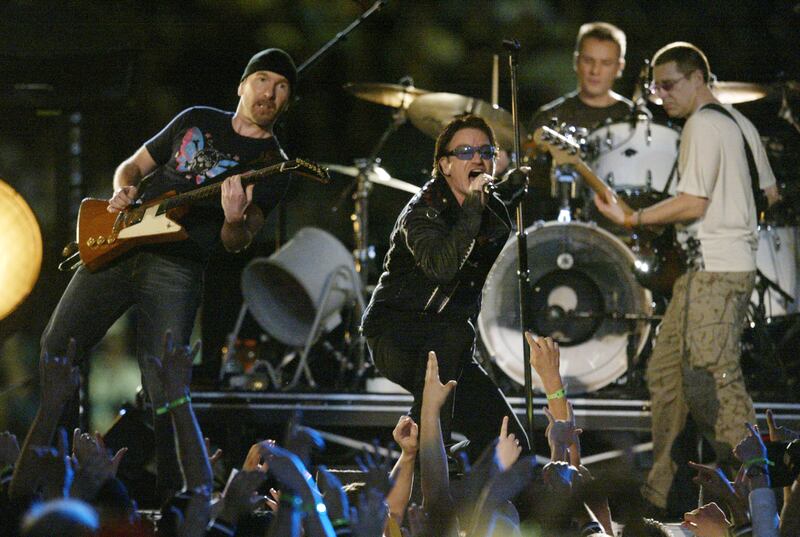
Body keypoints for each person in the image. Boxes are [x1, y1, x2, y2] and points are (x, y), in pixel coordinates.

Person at [39, 48, 297, 501]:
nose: (269, 93)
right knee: (58, 346)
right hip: (124, 241)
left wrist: (234, 218)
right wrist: (123, 191)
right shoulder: (196, 118)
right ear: (242, 85)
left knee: (164, 384)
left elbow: (236, 241)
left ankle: (172, 503)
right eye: (262, 80)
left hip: (178, 265)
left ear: (287, 102)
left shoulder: (273, 165)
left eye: (281, 88)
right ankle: (55, 472)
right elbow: (133, 166)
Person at [594, 41, 780, 516]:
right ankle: (661, 494)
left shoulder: (702, 123)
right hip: (709, 270)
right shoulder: (740, 123)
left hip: (717, 270)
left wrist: (634, 218)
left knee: (714, 379)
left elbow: (694, 203)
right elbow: (771, 193)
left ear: (698, 77)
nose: (661, 96)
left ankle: (759, 495)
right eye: (656, 88)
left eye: (669, 85)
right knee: (665, 372)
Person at [361, 114, 529, 461]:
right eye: (465, 151)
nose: (478, 159)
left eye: (486, 151)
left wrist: (510, 190)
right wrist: (474, 208)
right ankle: (427, 456)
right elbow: (442, 267)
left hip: (448, 346)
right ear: (445, 165)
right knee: (455, 332)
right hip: (397, 333)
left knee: (512, 446)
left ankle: (455, 466)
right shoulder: (422, 212)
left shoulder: (486, 204)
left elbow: (486, 221)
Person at [525, 21, 633, 225]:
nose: (595, 70)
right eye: (588, 60)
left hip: (618, 227)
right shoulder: (548, 117)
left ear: (620, 67)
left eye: (605, 63)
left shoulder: (634, 119)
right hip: (557, 223)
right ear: (576, 61)